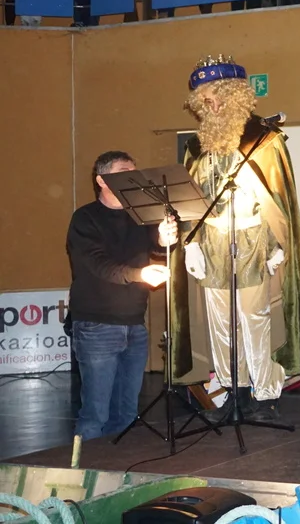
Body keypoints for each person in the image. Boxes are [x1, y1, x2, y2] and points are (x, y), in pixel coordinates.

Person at [174, 56, 300, 423]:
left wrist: (278, 246)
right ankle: (233, 392)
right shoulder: (197, 146)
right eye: (203, 97)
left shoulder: (264, 139)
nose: (209, 103)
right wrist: (191, 243)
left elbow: (278, 199)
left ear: (234, 94)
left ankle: (266, 395)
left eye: (215, 94)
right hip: (211, 242)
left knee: (256, 320)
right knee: (221, 323)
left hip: (254, 240)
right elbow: (189, 198)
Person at [66, 151, 177, 439]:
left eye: (134, 172)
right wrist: (140, 274)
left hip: (134, 323)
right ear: (102, 180)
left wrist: (165, 239)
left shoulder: (140, 215)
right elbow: (98, 264)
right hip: (96, 325)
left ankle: (118, 464)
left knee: (126, 413)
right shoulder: (85, 218)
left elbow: (158, 250)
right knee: (95, 414)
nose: (132, 177)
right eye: (123, 172)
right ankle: (86, 465)